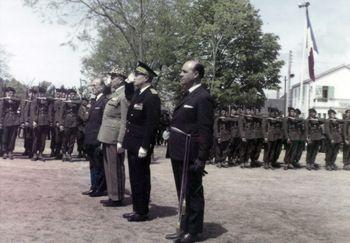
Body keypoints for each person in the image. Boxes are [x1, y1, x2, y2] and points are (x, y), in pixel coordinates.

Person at [166, 60, 214, 242]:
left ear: (195, 75)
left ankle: (193, 231)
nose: (180, 74)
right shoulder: (187, 95)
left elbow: (205, 131)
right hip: (179, 151)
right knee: (182, 192)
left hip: (191, 154)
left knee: (192, 193)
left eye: (184, 71)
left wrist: (201, 158)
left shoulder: (203, 97)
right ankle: (183, 228)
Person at [123, 61, 161, 222]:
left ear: (145, 77)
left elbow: (151, 124)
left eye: (137, 75)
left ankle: (142, 211)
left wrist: (145, 146)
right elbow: (129, 95)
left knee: (141, 178)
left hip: (141, 144)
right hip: (132, 142)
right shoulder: (139, 93)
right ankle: (137, 209)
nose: (135, 77)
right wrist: (127, 82)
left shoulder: (151, 96)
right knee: (134, 176)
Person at [97, 67, 130, 207]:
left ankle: (117, 197)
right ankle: (112, 195)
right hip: (107, 136)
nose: (111, 80)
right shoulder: (115, 94)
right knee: (109, 167)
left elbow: (124, 120)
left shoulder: (123, 95)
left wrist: (121, 140)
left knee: (115, 167)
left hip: (115, 137)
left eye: (113, 77)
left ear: (121, 78)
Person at [82, 78, 109, 197]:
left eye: (94, 85)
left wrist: (102, 140)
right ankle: (93, 186)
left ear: (102, 87)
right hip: (90, 138)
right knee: (92, 164)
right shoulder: (93, 101)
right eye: (91, 85)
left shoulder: (105, 101)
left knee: (99, 164)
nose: (92, 87)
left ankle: (100, 188)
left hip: (98, 138)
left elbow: (104, 122)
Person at [30, 86, 53, 161]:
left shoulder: (47, 101)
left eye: (43, 93)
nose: (42, 95)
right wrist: (34, 121)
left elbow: (50, 109)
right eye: (40, 93)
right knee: (36, 138)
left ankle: (40, 153)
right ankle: (34, 153)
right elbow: (32, 112)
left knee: (43, 139)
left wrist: (50, 121)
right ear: (38, 93)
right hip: (37, 121)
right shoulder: (35, 100)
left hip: (45, 121)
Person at [60, 88, 82, 162]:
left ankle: (69, 154)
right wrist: (61, 124)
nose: (72, 95)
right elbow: (61, 114)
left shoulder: (76, 101)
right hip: (66, 122)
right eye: (71, 94)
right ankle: (64, 153)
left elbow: (80, 101)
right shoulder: (65, 102)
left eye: (73, 94)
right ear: (69, 95)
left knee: (72, 140)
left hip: (74, 123)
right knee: (65, 139)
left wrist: (73, 99)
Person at [0, 87, 21, 159]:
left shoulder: (15, 100)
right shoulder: (3, 100)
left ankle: (10, 151)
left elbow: (19, 100)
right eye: (9, 93)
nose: (11, 94)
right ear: (7, 93)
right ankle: (4, 151)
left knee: (12, 138)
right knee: (5, 137)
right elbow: (1, 111)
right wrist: (1, 122)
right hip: (6, 120)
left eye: (12, 93)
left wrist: (10, 98)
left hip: (14, 121)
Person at [20, 87, 37, 158]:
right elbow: (23, 112)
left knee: (33, 137)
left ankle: (31, 151)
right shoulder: (25, 101)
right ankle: (26, 149)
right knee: (27, 137)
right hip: (26, 122)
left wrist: (34, 121)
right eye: (30, 93)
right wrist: (23, 121)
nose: (31, 94)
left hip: (32, 122)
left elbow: (36, 112)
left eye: (33, 93)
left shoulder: (36, 101)